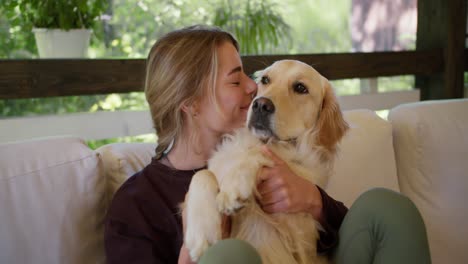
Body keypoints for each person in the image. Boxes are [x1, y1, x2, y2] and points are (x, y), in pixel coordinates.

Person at [104, 25, 431, 264]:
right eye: (235, 80)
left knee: (388, 208)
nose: (253, 89)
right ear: (190, 103)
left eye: (250, 76)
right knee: (229, 257)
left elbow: (342, 237)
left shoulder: (274, 153)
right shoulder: (134, 205)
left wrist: (313, 200)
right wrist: (194, 247)